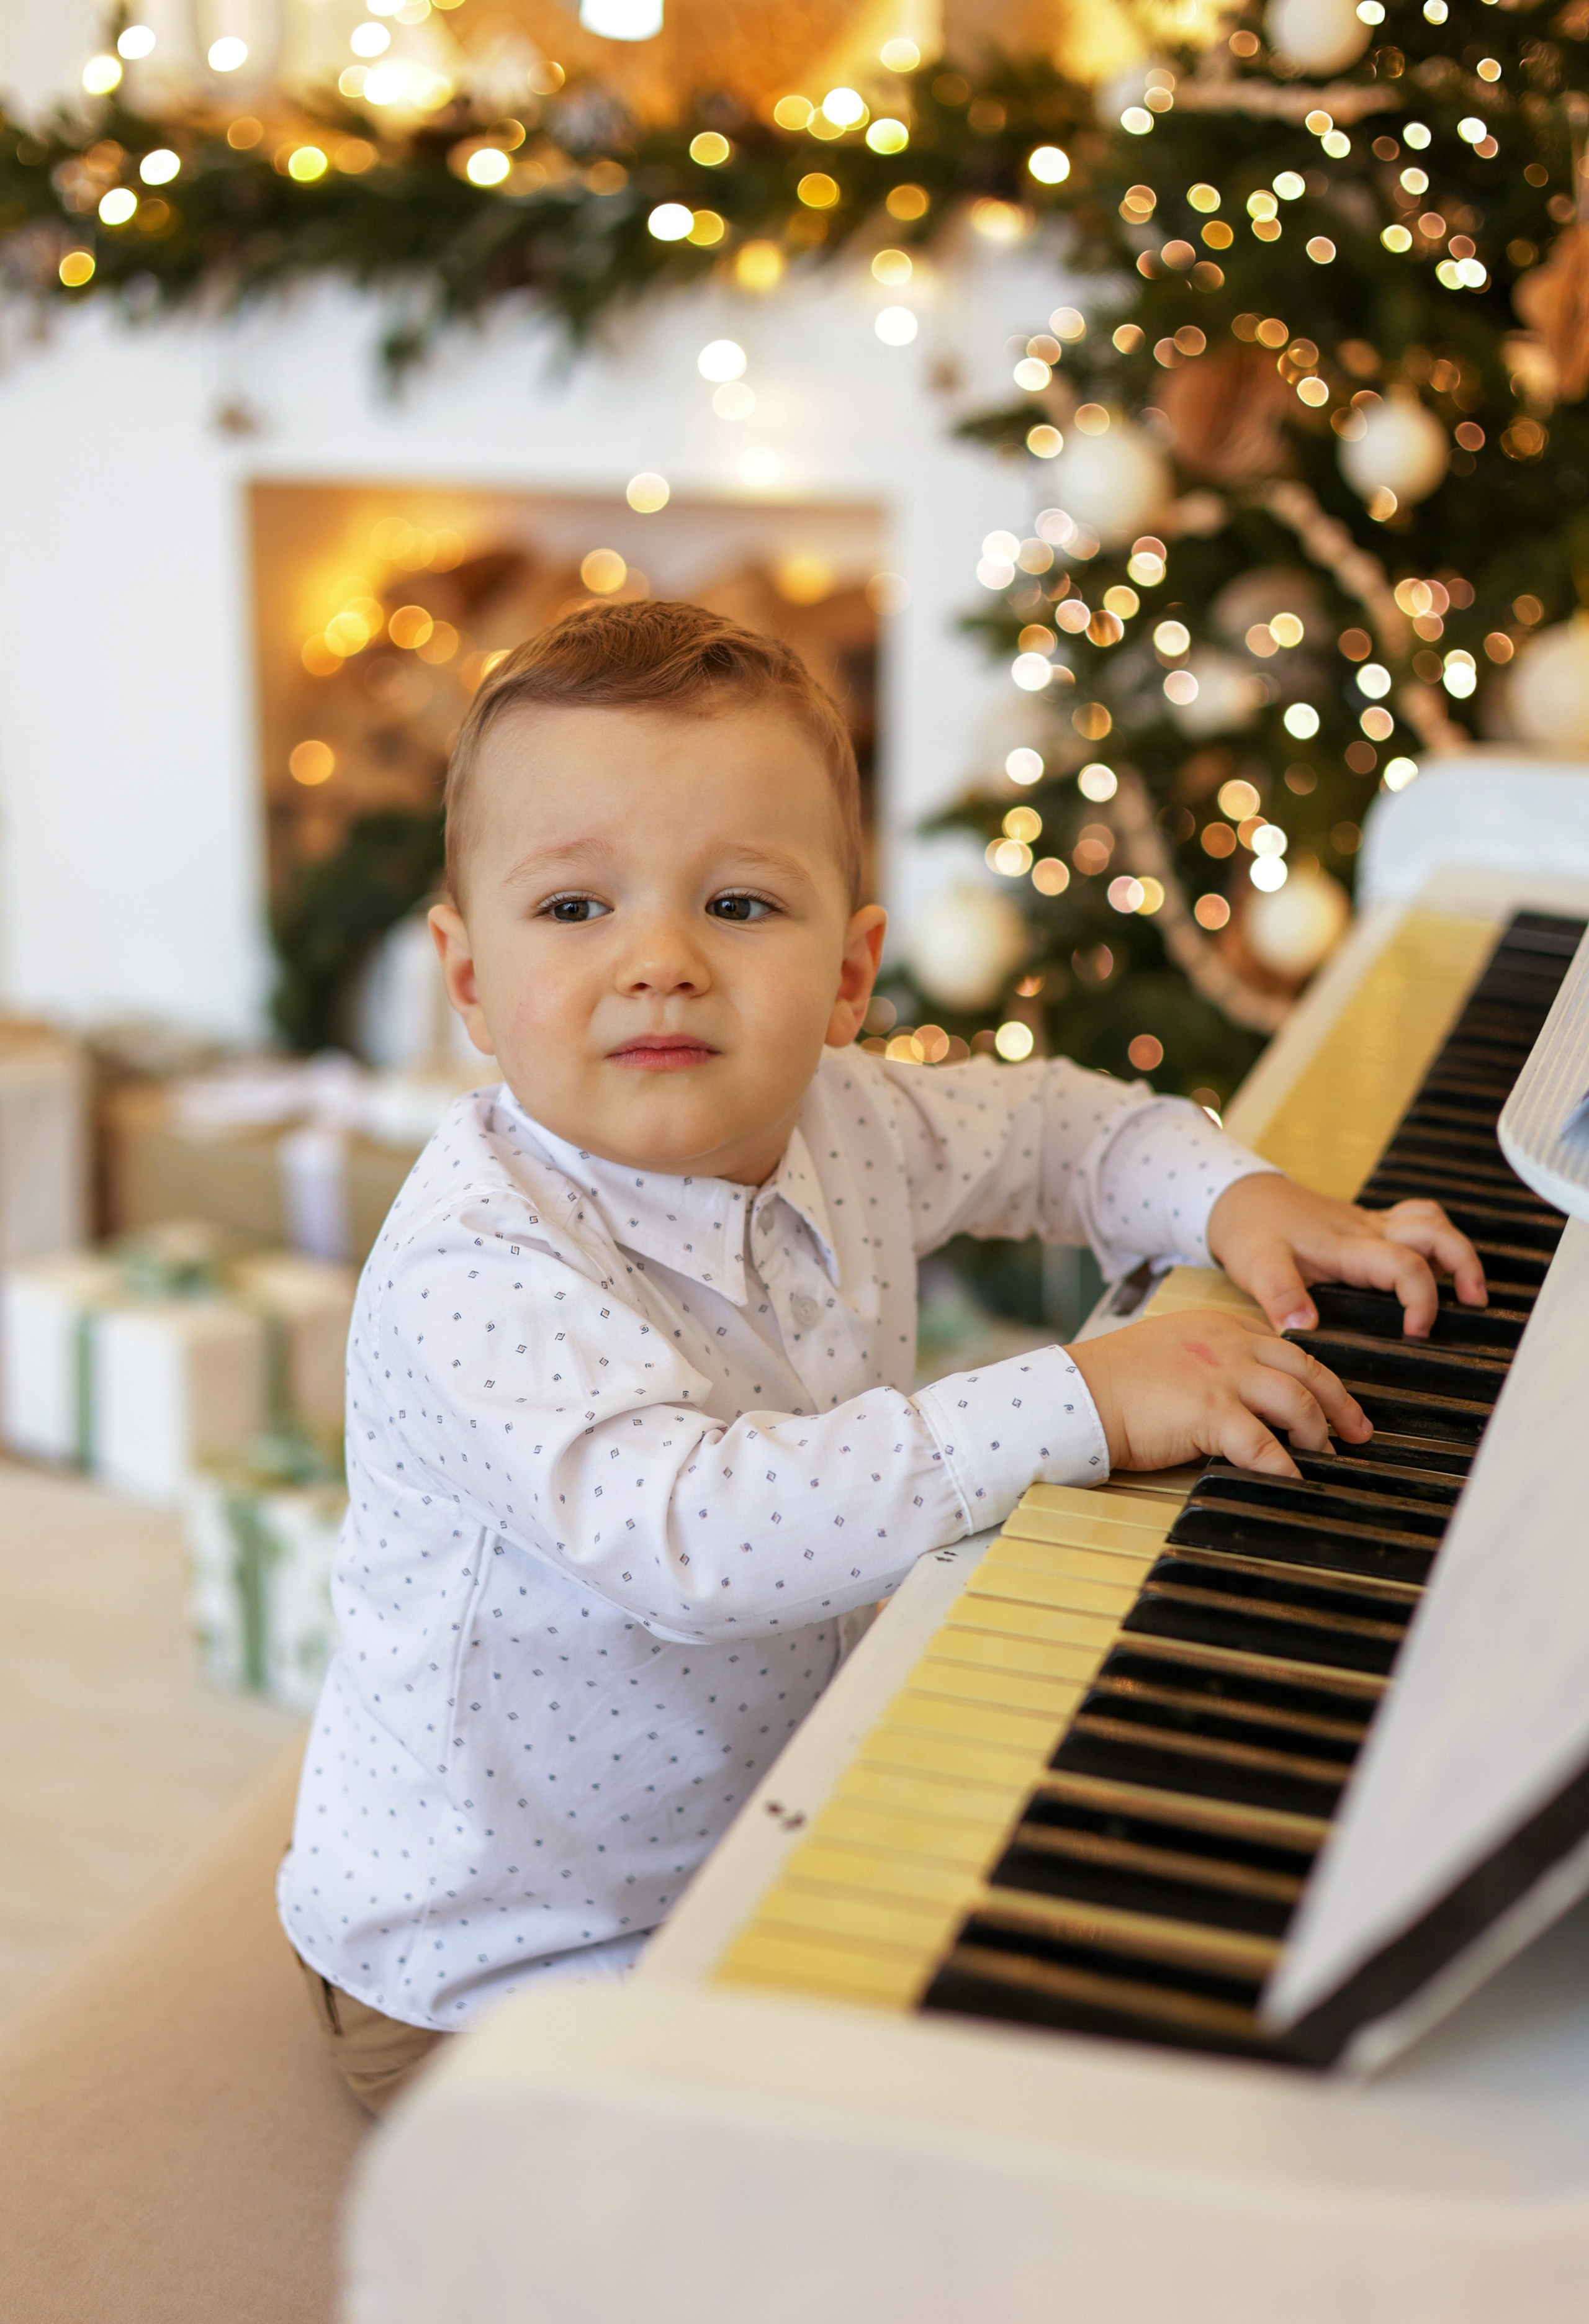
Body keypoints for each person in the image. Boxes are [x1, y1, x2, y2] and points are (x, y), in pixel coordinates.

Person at [278, 599, 1483, 2113]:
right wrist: (1080, 1400)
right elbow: (694, 1533)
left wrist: (1229, 1195)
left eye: (736, 906)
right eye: (575, 909)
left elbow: (1059, 1129)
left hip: (767, 1825)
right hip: (506, 1967)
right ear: (466, 980)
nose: (659, 960)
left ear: (850, 975)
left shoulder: (848, 1114)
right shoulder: (480, 1256)